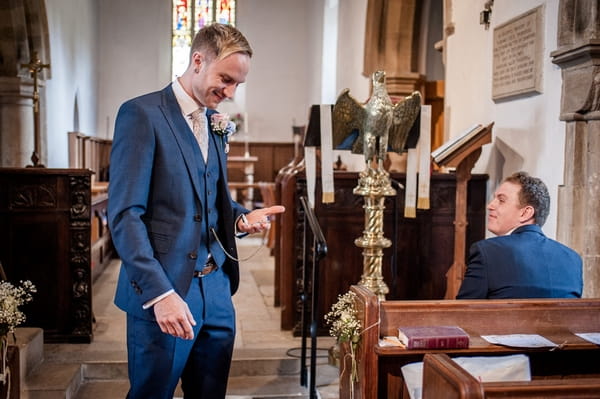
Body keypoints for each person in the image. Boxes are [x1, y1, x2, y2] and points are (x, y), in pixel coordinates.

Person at [107, 23, 285, 399]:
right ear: (197, 60)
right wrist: (160, 294)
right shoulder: (142, 115)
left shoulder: (214, 123)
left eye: (239, 85)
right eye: (225, 79)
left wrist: (239, 217)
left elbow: (208, 198)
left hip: (217, 288)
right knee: (152, 393)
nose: (231, 93)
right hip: (166, 287)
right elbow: (125, 216)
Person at [456, 171, 582, 299]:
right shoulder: (572, 259)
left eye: (501, 200)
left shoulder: (487, 252)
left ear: (525, 213)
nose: (490, 205)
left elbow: (461, 314)